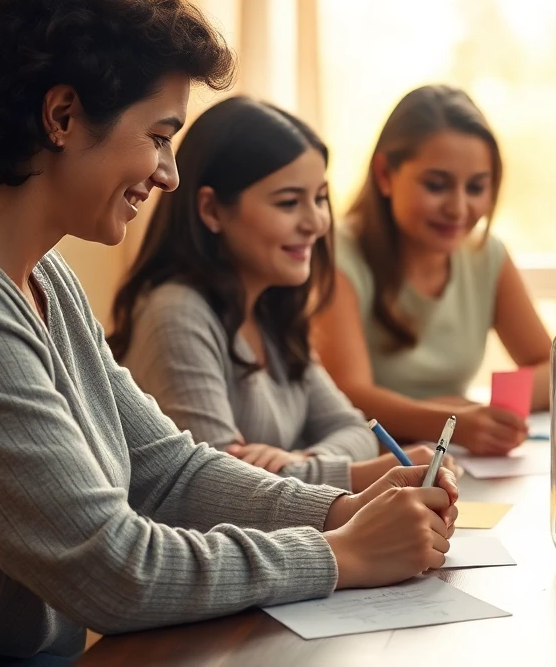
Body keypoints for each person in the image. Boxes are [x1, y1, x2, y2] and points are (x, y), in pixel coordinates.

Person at [0, 0, 456, 665]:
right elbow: (111, 569)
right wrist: (339, 554)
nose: (170, 175)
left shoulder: (44, 277)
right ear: (62, 114)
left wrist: (341, 508)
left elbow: (168, 472)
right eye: (158, 137)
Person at [109, 96, 439, 493]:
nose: (316, 222)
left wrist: (302, 460)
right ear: (212, 210)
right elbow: (216, 487)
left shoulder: (270, 310)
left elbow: (356, 431)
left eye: (319, 198)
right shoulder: (176, 313)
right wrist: (353, 474)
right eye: (288, 202)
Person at [313, 85, 552, 456]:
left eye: (476, 187)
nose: (458, 208)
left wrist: (496, 411)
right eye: (437, 185)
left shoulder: (487, 255)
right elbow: (348, 393)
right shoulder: (337, 254)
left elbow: (552, 368)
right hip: (364, 468)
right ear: (385, 175)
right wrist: (451, 420)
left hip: (453, 464)